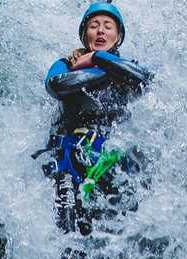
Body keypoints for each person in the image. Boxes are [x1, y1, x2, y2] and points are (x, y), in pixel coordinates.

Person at [41, 2, 150, 236]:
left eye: (108, 26)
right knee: (68, 230)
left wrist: (97, 58)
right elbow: (56, 84)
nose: (101, 31)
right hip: (71, 155)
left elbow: (144, 80)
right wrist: (99, 70)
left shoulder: (127, 68)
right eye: (94, 26)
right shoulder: (66, 65)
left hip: (111, 156)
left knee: (119, 227)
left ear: (118, 37)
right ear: (84, 35)